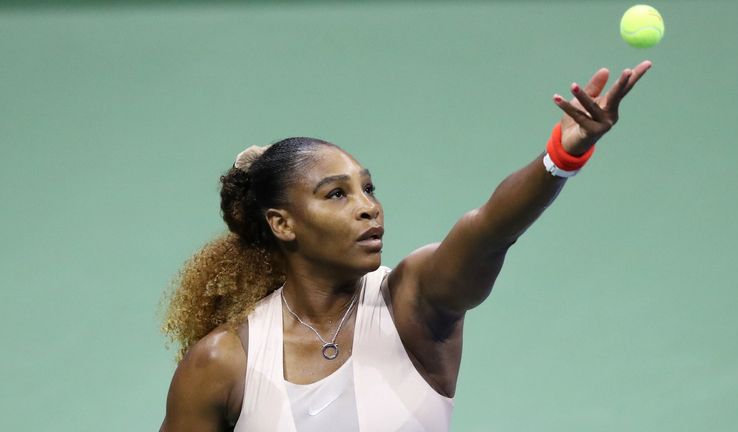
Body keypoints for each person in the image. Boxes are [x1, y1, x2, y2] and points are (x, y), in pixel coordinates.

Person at [159, 61, 652, 431]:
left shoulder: (414, 306)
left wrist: (561, 157)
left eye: (368, 188)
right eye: (337, 194)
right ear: (282, 224)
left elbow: (488, 231)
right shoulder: (222, 362)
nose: (369, 207)